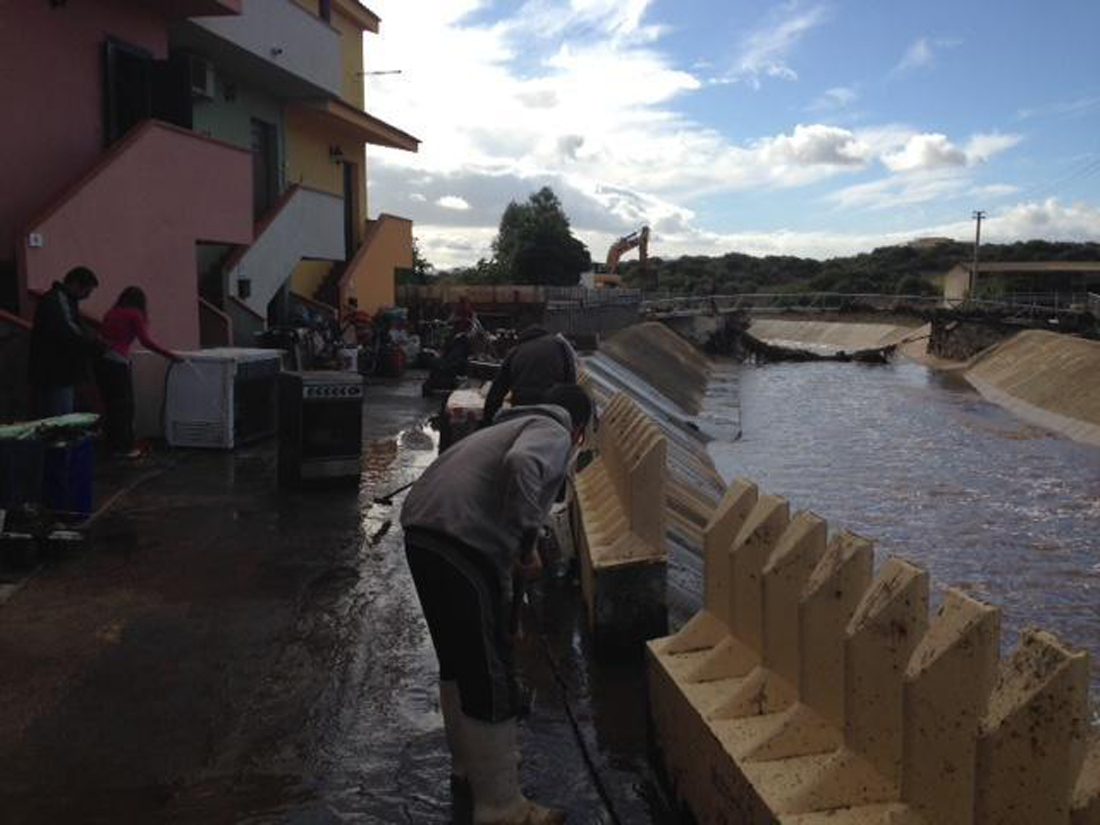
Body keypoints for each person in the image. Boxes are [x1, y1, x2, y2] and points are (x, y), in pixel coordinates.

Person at [400, 384, 593, 825]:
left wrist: (510, 591)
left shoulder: (504, 426)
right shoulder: (552, 429)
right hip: (459, 538)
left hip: (423, 532)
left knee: (458, 659)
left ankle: (469, 767)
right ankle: (502, 807)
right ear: (579, 428)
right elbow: (523, 466)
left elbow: (498, 530)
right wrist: (528, 540)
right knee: (488, 672)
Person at [95, 286, 180, 457]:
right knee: (125, 406)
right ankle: (125, 447)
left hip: (101, 361)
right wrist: (170, 355)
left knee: (111, 405)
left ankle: (111, 445)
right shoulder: (135, 314)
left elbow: (102, 335)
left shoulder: (111, 312)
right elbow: (145, 341)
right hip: (118, 361)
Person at [28, 265, 101, 418]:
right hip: (56, 373)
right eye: (86, 290)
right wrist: (94, 343)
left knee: (55, 418)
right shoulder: (58, 300)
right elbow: (69, 330)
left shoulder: (64, 301)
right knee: (59, 420)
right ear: (74, 283)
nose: (87, 296)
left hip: (55, 372)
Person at [481, 326, 577, 425]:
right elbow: (571, 383)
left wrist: (487, 422)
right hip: (553, 409)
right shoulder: (559, 344)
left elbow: (496, 391)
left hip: (523, 409)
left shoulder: (515, 351)